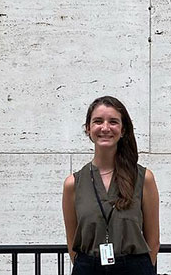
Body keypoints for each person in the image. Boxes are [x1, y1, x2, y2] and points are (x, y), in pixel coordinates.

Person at [62, 96, 160, 275]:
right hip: (89, 268)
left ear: (122, 130)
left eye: (113, 122)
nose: (105, 128)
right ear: (88, 128)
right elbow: (72, 243)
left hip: (134, 268)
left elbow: (153, 240)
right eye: (98, 121)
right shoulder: (73, 184)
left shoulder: (143, 178)